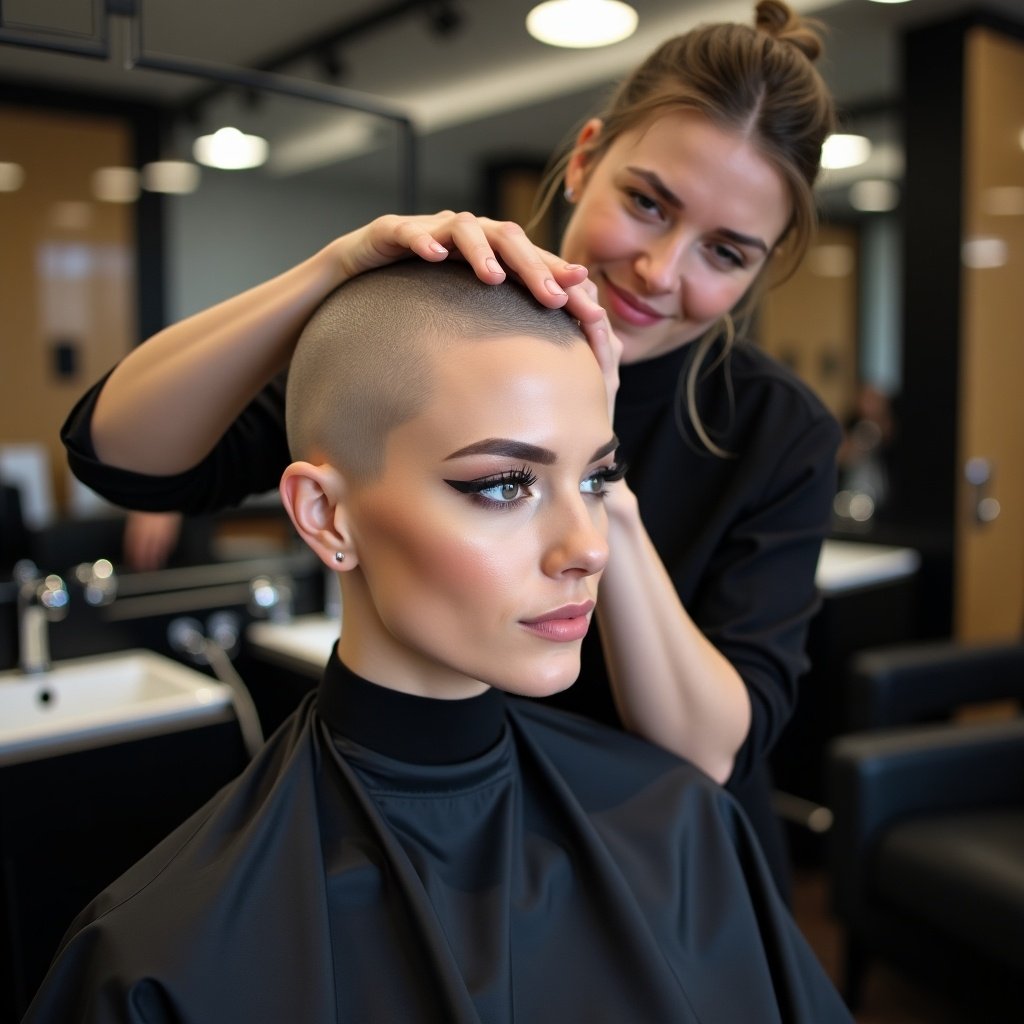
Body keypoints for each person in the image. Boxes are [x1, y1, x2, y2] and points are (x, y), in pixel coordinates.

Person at [60, 0, 840, 897]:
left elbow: (709, 749)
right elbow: (117, 452)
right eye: (646, 203)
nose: (662, 271)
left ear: (763, 265)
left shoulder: (781, 431)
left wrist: (596, 483)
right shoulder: (452, 338)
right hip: (440, 844)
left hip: (665, 874)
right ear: (586, 158)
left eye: (726, 253)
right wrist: (334, 272)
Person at [27, 262, 853, 1023]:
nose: (590, 547)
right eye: (502, 484)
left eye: (597, 478)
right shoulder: (158, 958)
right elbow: (114, 443)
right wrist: (337, 264)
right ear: (325, 516)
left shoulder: (682, 830)